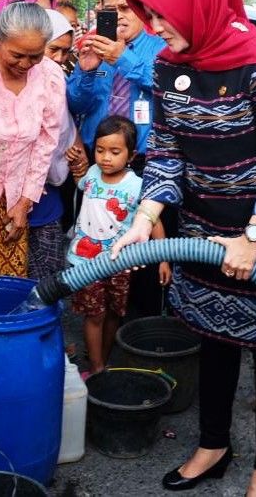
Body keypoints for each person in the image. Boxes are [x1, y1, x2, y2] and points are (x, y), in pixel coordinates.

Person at [114, 0, 256, 496]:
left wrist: (252, 237)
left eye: (163, 16)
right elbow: (166, 152)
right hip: (203, 235)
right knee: (215, 341)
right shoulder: (168, 64)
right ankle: (213, 445)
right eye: (150, 16)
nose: (155, 28)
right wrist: (145, 217)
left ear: (199, 4)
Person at [0, 3, 65, 277]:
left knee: (12, 280)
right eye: (17, 55)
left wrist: (25, 202)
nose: (25, 65)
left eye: (35, 56)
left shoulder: (50, 76)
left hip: (15, 201)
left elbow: (45, 142)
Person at [69, 117, 171, 375]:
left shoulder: (136, 186)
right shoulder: (93, 173)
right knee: (94, 315)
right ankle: (96, 368)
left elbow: (154, 221)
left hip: (119, 264)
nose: (105, 158)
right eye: (100, 150)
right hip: (85, 263)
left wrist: (164, 258)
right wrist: (76, 166)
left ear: (131, 155)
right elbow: (81, 183)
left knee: (115, 313)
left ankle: (103, 358)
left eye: (115, 152)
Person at [66, 0, 166, 168]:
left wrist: (123, 59)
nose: (118, 16)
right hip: (96, 159)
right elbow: (76, 107)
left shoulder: (161, 48)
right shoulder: (92, 49)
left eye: (125, 8)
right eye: (110, 10)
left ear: (142, 10)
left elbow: (165, 87)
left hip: (144, 161)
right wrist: (86, 73)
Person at [26, 10, 87, 281]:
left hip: (48, 199)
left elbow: (65, 124)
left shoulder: (57, 80)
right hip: (11, 201)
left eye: (65, 52)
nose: (60, 58)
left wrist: (76, 156)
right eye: (53, 49)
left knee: (48, 277)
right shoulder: (12, 80)